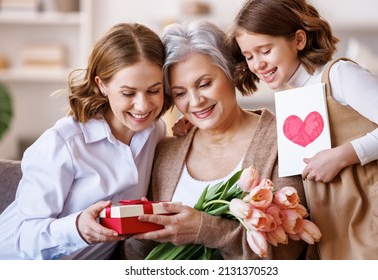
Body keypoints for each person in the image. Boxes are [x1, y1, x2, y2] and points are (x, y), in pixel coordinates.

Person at [229, 0, 378, 259]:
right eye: (249, 56)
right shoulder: (295, 98)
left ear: (299, 40)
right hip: (333, 223)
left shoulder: (339, 74)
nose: (257, 64)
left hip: (375, 216)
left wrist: (341, 156)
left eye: (265, 50)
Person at [124, 20, 307, 260]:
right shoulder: (166, 151)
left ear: (232, 72)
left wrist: (205, 229)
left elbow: (286, 251)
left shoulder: (284, 140)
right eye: (180, 93)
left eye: (205, 84)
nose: (196, 101)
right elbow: (137, 256)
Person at [0, 22, 172, 260]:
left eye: (153, 90)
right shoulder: (64, 143)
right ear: (102, 85)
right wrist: (77, 227)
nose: (143, 106)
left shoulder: (155, 131)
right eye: (128, 93)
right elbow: (24, 237)